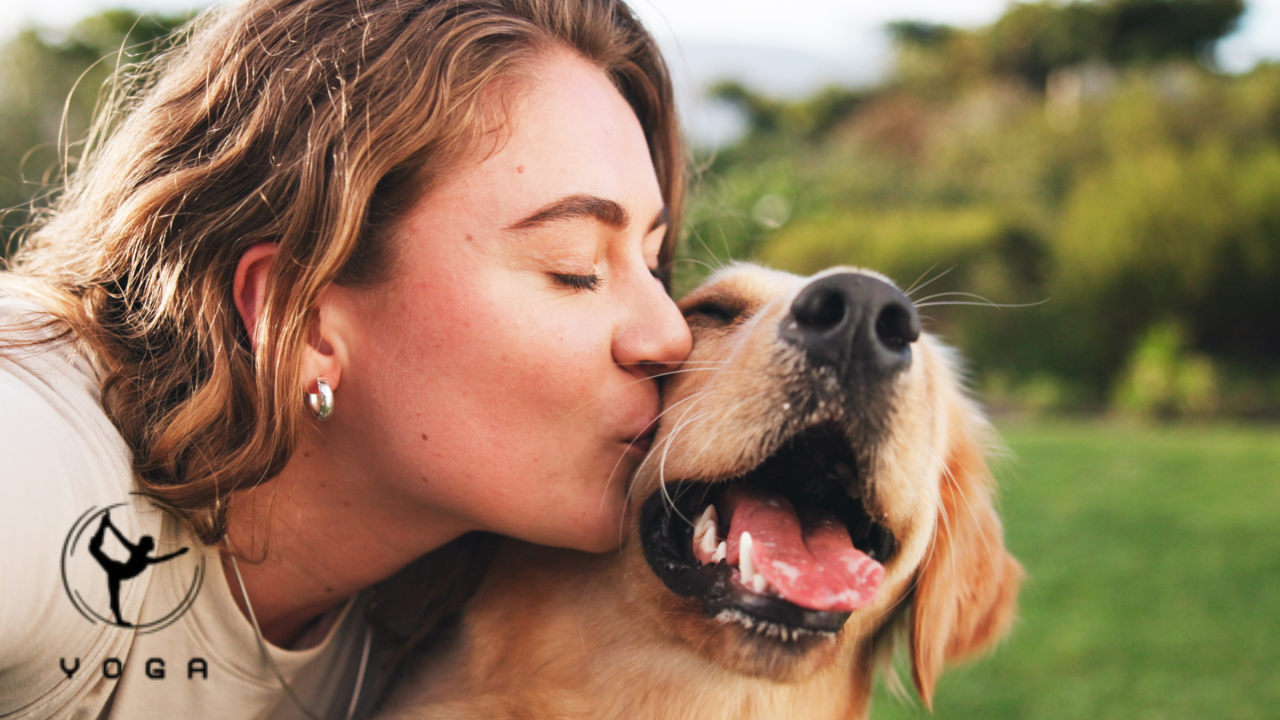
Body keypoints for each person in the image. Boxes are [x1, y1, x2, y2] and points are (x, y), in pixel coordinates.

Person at [0, 0, 691, 717]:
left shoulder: (462, 599)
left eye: (653, 266)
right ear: (301, 320)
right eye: (575, 269)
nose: (671, 336)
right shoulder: (47, 464)